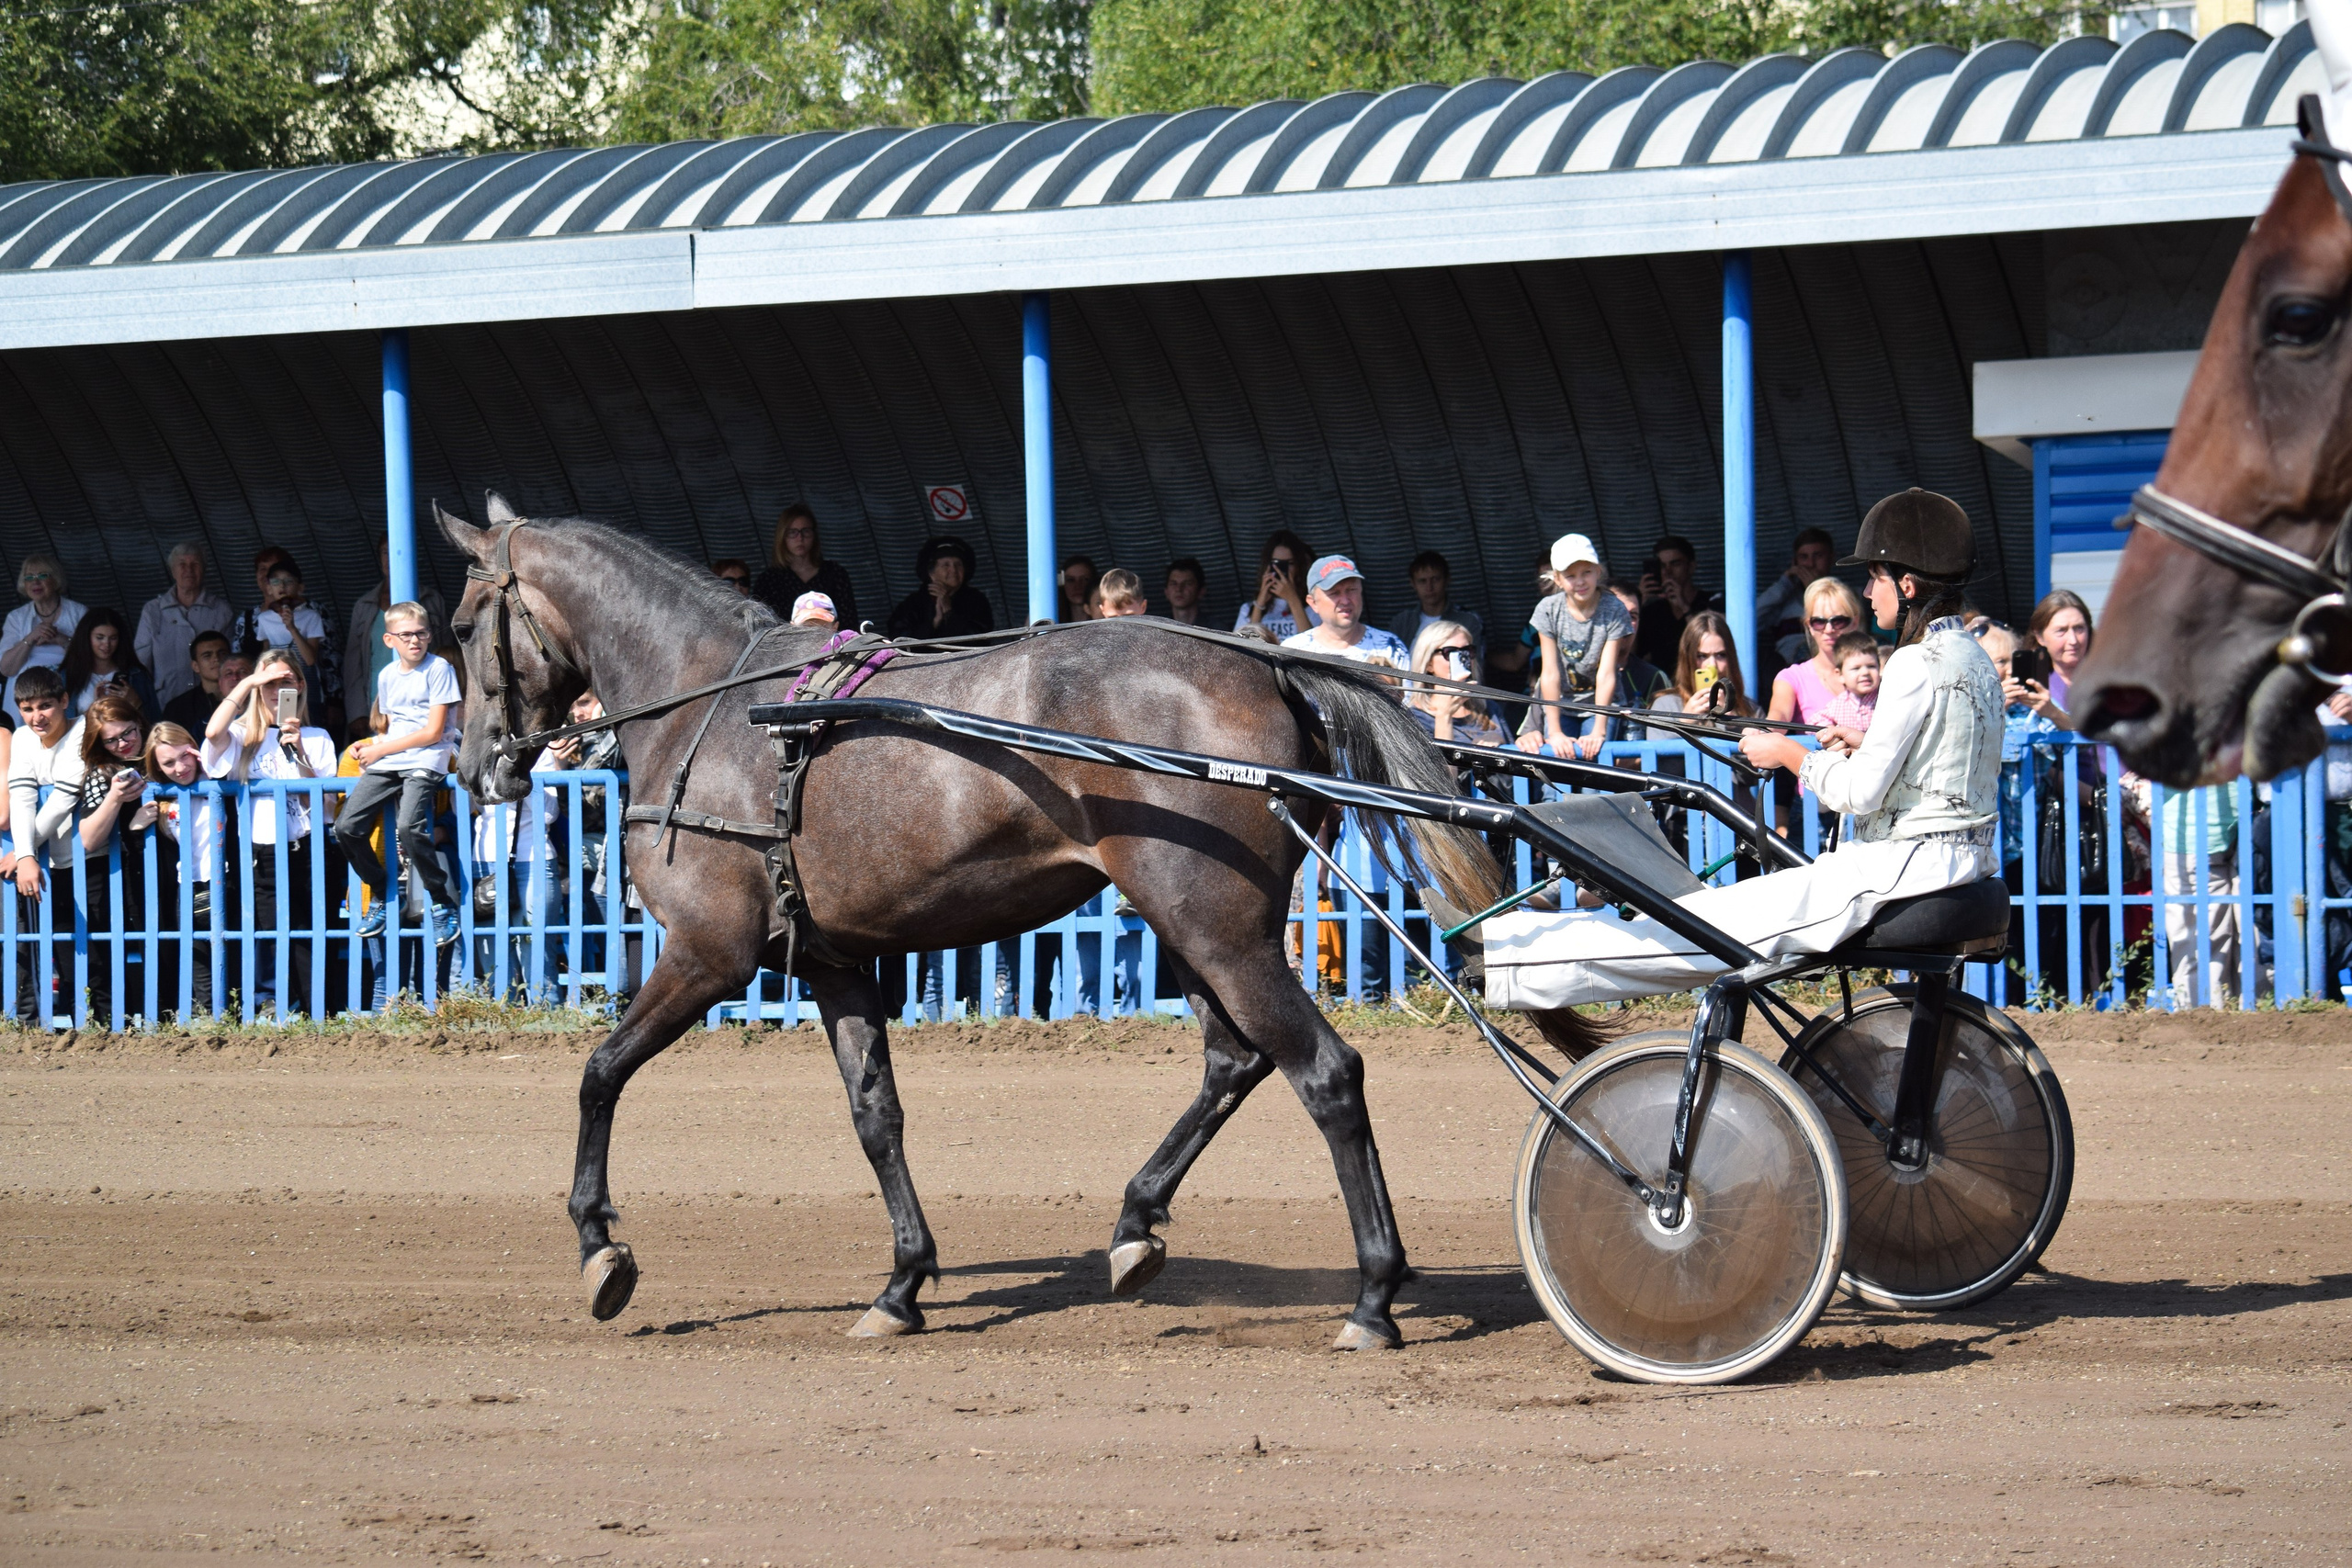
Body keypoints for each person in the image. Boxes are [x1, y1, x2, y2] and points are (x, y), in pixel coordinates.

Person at [1484, 488, 2003, 1010]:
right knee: (1717, 914)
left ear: (1907, 584)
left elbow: (1860, 793)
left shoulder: (1913, 662)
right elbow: (1942, 761)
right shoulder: (1972, 656)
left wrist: (1787, 754)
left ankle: (1512, 959)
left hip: (1898, 870)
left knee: (1703, 924)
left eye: (1874, 576)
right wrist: (1864, 742)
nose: (1867, 591)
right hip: (1955, 862)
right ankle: (1519, 952)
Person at [202, 650, 339, 1013]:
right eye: (269, 683)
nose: (277, 691)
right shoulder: (239, 734)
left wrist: (300, 752)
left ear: (301, 686)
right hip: (262, 851)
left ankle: (319, 1013)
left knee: (313, 932)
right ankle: (285, 1009)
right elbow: (212, 733)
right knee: (275, 935)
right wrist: (248, 682)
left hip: (309, 846)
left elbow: (323, 806)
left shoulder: (318, 736)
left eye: (286, 682)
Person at [332, 603, 463, 949]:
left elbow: (434, 732)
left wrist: (381, 749)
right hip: (392, 756)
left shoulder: (440, 668)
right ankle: (380, 890)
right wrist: (371, 747)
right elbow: (391, 727)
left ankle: (441, 900)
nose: (415, 640)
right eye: (406, 635)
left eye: (422, 633)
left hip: (428, 757)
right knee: (346, 827)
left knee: (409, 826)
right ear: (389, 640)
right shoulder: (387, 675)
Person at [68, 694, 153, 1027]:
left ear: (139, 723)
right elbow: (88, 838)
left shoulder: (161, 755)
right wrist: (117, 800)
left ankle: (170, 1018)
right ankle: (119, 1023)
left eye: (128, 733)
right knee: (118, 950)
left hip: (170, 870)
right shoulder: (101, 772)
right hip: (123, 875)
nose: (122, 744)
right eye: (111, 740)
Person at [7, 667, 83, 1021]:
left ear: (65, 700)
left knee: (82, 947)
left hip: (88, 856)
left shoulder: (85, 730)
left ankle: (92, 1022)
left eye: (45, 706)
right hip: (40, 861)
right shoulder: (22, 737)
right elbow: (20, 795)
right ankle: (35, 1021)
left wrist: (23, 854)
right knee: (39, 943)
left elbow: (62, 801)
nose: (36, 717)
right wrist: (25, 856)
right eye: (26, 708)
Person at [1520, 534, 1629, 760]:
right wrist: (1556, 731)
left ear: (1598, 571)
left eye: (1586, 572)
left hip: (1601, 706)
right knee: (1558, 769)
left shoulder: (1613, 608)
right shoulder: (1548, 609)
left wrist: (1599, 729)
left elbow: (1607, 672)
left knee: (1595, 773)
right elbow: (1549, 673)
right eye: (1570, 575)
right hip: (1560, 703)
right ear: (1557, 579)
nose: (1580, 581)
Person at [345, 536, 452, 734]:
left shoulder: (432, 600)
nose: (391, 558)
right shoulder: (364, 606)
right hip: (376, 698)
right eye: (385, 552)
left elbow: (447, 649)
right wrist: (356, 711)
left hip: (426, 699)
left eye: (396, 550)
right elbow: (353, 663)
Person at [232, 554, 339, 732]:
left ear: (300, 587)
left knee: (307, 728)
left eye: (288, 581)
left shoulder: (311, 616)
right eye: (276, 582)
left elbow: (310, 659)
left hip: (307, 685)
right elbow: (266, 655)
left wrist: (292, 628)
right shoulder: (264, 619)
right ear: (268, 588)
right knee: (278, 727)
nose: (282, 586)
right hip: (277, 685)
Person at [135, 542, 232, 708]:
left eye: (195, 564)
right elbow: (141, 664)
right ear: (173, 571)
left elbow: (229, 661)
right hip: (164, 703)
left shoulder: (220, 609)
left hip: (214, 704)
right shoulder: (153, 611)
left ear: (204, 569)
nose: (189, 570)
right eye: (182, 564)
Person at [1768, 577, 1869, 729]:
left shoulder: (1875, 672)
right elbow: (1778, 717)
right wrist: (1760, 730)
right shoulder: (1793, 677)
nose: (1829, 630)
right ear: (1809, 626)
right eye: (1819, 622)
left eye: (1838, 621)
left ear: (1854, 623)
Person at [1, 555, 86, 724]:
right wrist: (31, 637)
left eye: (42, 576)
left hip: (65, 685)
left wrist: (60, 639)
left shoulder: (78, 612)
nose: (35, 582)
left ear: (55, 579)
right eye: (29, 577)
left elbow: (89, 661)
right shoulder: (17, 617)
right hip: (24, 689)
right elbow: (6, 669)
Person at [1280, 555, 1408, 666]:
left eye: (1351, 590)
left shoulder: (1390, 647)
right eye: (1334, 593)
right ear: (1313, 603)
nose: (1345, 601)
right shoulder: (1293, 651)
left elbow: (1410, 694)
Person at [753, 504, 860, 630]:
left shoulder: (834, 573)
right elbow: (761, 626)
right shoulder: (769, 580)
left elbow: (849, 622)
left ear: (814, 534)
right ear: (782, 536)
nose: (800, 538)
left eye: (806, 531)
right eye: (792, 532)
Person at [1649, 611, 1755, 729]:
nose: (1712, 665)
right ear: (1687, 659)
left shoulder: (1748, 708)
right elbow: (1654, 745)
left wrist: (1735, 723)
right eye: (1702, 656)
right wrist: (1684, 722)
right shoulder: (1665, 705)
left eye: (1721, 655)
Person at [1408, 621, 1508, 746]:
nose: (1461, 659)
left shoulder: (1489, 708)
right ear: (1429, 664)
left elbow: (1515, 758)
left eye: (1467, 651)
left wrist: (1500, 740)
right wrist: (1444, 715)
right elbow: (1443, 766)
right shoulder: (1414, 718)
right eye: (1450, 652)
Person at [1633, 534, 1723, 671]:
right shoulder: (1652, 611)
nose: (1668, 572)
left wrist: (1685, 608)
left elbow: (1717, 647)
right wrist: (1637, 606)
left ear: (1691, 567)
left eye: (1675, 564)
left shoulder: (1711, 602)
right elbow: (1631, 655)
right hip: (1663, 687)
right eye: (1662, 566)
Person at [1754, 527, 1837, 673]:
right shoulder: (1783, 600)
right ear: (1795, 562)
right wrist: (1785, 583)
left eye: (1818, 556)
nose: (1810, 564)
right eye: (1804, 557)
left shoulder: (1848, 595)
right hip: (1789, 671)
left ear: (1831, 558)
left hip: (1833, 669)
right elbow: (1748, 622)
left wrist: (1815, 589)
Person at [1386, 550, 1486, 662]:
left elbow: (1476, 666)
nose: (1429, 587)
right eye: (1422, 581)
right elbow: (1392, 665)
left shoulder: (1468, 620)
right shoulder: (1401, 622)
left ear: (1447, 579)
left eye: (1435, 579)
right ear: (1413, 584)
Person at [887, 536, 993, 639]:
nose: (953, 570)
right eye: (946, 565)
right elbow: (900, 640)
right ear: (931, 573)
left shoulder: (976, 601)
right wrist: (935, 622)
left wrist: (949, 612)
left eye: (958, 565)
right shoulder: (913, 604)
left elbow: (981, 637)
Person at [60, 607, 156, 720]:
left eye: (113, 638)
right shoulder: (67, 676)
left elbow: (155, 726)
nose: (106, 644)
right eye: (100, 638)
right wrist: (96, 707)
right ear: (86, 637)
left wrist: (136, 703)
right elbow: (64, 728)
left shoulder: (137, 675)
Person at [1605, 581, 1669, 739]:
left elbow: (1664, 742)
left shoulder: (1654, 677)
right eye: (1618, 613)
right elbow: (1534, 730)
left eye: (1633, 616)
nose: (1626, 623)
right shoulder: (1570, 674)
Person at [2020, 589, 2094, 723]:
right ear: (2039, 637)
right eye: (2061, 630)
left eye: (2079, 628)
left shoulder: (2107, 682)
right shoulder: (2031, 686)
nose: (2073, 640)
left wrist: (2054, 714)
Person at [1237, 531, 1316, 644]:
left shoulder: (1314, 606)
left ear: (1299, 566)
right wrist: (1259, 605)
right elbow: (1244, 646)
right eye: (1276, 563)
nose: (1282, 570)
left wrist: (1293, 599)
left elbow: (1312, 645)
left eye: (1290, 563)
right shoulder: (1247, 609)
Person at [163, 630, 232, 734]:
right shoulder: (178, 708)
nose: (216, 659)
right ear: (195, 666)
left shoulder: (249, 698)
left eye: (222, 653)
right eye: (207, 655)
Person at [1820, 631, 1882, 733]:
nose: (1865, 672)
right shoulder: (1838, 705)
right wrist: (1829, 730)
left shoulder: (1886, 697)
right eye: (1856, 668)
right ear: (1840, 675)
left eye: (1871, 666)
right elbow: (1816, 720)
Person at [1162, 558, 1206, 626]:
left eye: (1187, 583)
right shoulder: (1159, 627)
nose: (1179, 589)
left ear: (1201, 591)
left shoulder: (1217, 630)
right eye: (1174, 584)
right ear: (1166, 591)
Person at [1058, 556, 1100, 623]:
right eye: (1071, 580)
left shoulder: (1105, 619)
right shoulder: (1053, 618)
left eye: (1085, 579)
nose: (1077, 586)